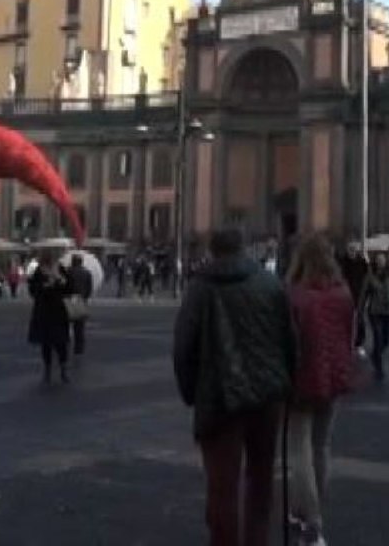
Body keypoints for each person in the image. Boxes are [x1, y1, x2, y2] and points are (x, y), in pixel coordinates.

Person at [173, 228, 296, 546]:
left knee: (222, 487)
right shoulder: (270, 283)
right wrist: (288, 383)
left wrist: (191, 392)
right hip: (267, 397)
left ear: (213, 250)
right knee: (261, 481)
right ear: (243, 248)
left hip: (220, 397)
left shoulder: (200, 288)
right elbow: (290, 338)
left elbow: (184, 347)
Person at [284, 234, 356, 546]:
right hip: (334, 380)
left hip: (302, 381)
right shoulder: (344, 294)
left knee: (299, 450)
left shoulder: (295, 296)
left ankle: (312, 523)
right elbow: (350, 336)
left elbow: (286, 342)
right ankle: (305, 510)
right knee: (321, 447)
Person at [27, 254, 72, 384]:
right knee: (46, 343)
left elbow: (70, 288)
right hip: (44, 312)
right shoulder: (38, 272)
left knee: (61, 343)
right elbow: (33, 291)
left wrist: (61, 280)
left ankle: (63, 369)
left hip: (58, 312)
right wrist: (45, 286)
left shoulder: (61, 269)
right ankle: (48, 369)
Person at [364, 253, 389, 382]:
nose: (380, 262)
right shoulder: (370, 275)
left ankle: (375, 355)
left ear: (386, 261)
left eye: (382, 260)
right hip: (375, 312)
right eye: (378, 260)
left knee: (386, 339)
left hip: (388, 312)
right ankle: (379, 367)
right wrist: (361, 310)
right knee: (378, 339)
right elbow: (365, 293)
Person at [337, 244, 369, 356]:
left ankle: (359, 343)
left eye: (354, 249)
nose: (352, 252)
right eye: (350, 249)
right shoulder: (342, 263)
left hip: (359, 295)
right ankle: (346, 343)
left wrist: (366, 295)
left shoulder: (362, 263)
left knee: (359, 320)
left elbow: (367, 279)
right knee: (344, 320)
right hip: (345, 295)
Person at [65, 254, 95, 356]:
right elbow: (89, 289)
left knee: (65, 324)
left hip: (69, 300)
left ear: (73, 262)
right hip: (81, 300)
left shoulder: (68, 272)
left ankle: (65, 343)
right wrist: (84, 297)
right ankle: (79, 349)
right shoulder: (87, 273)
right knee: (79, 327)